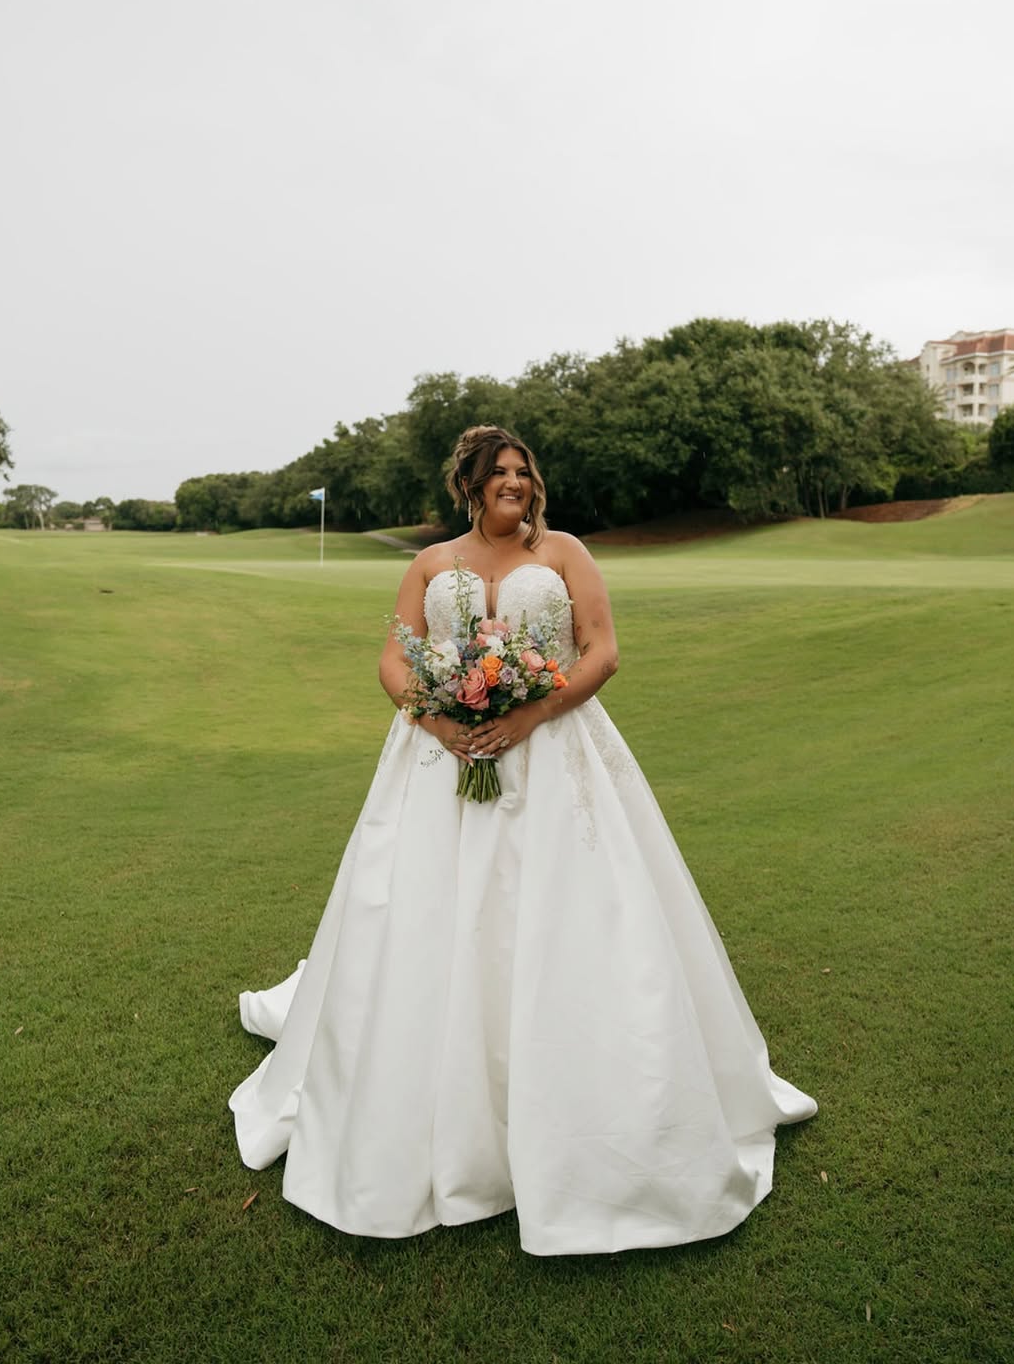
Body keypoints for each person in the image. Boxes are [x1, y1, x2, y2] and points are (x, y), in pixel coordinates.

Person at [229, 424, 817, 1256]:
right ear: (469, 485)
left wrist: (529, 713)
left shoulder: (568, 551)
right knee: (430, 916)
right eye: (498, 473)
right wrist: (440, 719)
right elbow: (395, 661)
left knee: (567, 918)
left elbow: (601, 650)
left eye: (523, 472)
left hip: (554, 754)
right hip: (441, 759)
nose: (515, 482)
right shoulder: (431, 563)